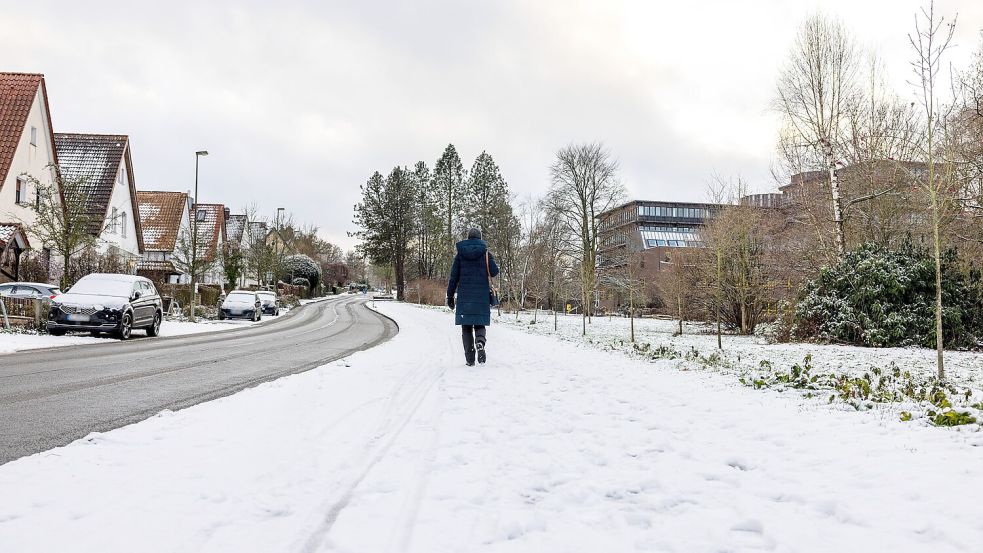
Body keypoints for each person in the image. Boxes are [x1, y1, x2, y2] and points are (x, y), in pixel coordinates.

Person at [446, 228, 499, 366]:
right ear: (480, 238)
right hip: (481, 297)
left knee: (466, 327)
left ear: (468, 238)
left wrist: (450, 296)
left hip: (465, 297)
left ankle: (470, 359)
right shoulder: (486, 254)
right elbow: (494, 272)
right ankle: (480, 342)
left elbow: (453, 278)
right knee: (479, 323)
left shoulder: (460, 255)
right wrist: (489, 258)